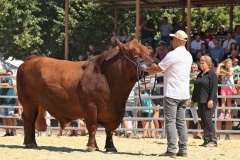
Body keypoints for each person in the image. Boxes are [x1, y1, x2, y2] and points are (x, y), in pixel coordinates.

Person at [139, 30, 192, 158]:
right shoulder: (188, 55)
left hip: (172, 93)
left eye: (173, 39)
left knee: (170, 122)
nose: (172, 41)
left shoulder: (172, 54)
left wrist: (145, 69)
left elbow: (159, 68)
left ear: (177, 41)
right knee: (181, 122)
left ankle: (172, 150)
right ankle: (183, 150)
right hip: (184, 93)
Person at [191, 56, 218, 147]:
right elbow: (196, 88)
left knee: (208, 120)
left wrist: (211, 99)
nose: (201, 65)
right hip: (201, 100)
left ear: (208, 64)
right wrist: (193, 99)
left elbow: (214, 89)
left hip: (209, 100)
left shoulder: (212, 74)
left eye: (203, 63)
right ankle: (206, 139)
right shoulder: (199, 74)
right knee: (203, 120)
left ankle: (213, 140)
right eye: (200, 63)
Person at [216, 59, 234, 140]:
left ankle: (228, 113)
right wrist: (220, 65)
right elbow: (217, 73)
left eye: (230, 63)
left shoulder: (232, 69)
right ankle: (223, 112)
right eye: (227, 63)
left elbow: (229, 73)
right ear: (225, 64)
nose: (229, 65)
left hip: (230, 87)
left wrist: (223, 72)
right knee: (223, 100)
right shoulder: (222, 68)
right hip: (223, 87)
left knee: (229, 101)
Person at [0, 70, 17, 136]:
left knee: (10, 117)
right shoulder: (1, 81)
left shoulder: (8, 78)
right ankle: (7, 132)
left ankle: (12, 131)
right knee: (4, 117)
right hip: (3, 102)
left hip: (10, 101)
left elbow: (8, 84)